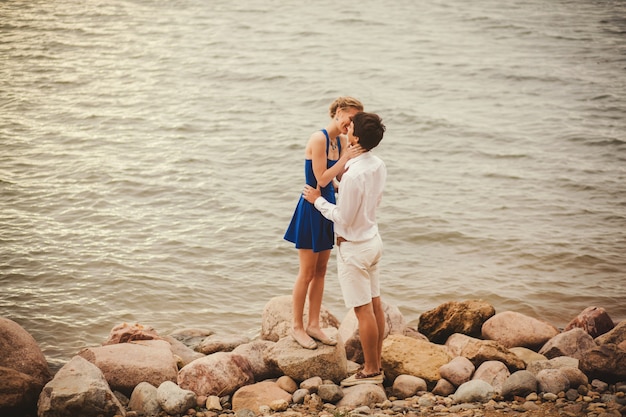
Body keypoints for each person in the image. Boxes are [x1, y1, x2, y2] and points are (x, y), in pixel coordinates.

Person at [302, 111, 387, 386]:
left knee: (364, 311)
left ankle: (371, 370)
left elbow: (343, 217)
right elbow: (372, 198)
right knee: (375, 306)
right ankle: (377, 362)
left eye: (352, 127)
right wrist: (339, 187)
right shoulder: (377, 164)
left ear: (357, 138)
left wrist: (317, 200)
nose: (347, 128)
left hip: (355, 248)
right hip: (372, 241)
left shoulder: (354, 174)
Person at [284, 97, 364, 349]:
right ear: (339, 113)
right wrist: (344, 159)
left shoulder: (340, 141)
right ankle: (297, 327)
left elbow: (337, 178)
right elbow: (320, 178)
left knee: (321, 271)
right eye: (351, 119)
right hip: (311, 206)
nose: (351, 125)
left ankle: (314, 325)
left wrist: (356, 160)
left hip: (328, 207)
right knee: (306, 272)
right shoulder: (318, 139)